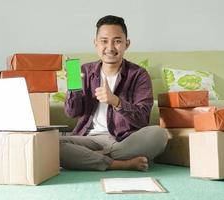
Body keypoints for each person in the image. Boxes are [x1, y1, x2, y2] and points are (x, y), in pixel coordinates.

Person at [60, 15, 168, 171]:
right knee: (50, 146)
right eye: (104, 41)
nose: (110, 48)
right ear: (95, 43)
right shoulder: (84, 71)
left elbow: (143, 119)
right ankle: (120, 163)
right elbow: (72, 113)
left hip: (123, 140)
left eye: (117, 41)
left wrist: (116, 102)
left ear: (127, 44)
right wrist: (73, 87)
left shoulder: (138, 74)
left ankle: (92, 157)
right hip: (88, 138)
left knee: (159, 134)